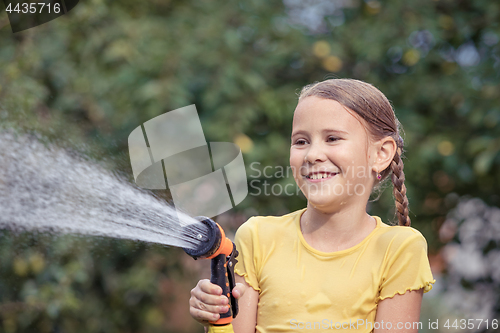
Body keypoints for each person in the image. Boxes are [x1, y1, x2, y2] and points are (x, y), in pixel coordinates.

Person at [189, 79, 435, 333]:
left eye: (332, 138)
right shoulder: (257, 237)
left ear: (381, 154)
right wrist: (217, 319)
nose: (312, 154)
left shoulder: (398, 249)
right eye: (301, 141)